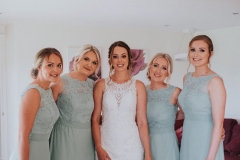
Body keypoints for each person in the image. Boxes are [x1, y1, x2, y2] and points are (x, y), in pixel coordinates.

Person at [91, 41, 152, 160]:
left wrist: (148, 153)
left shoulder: (139, 86)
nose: (120, 60)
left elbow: (142, 122)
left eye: (123, 56)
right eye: (115, 57)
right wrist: (98, 147)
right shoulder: (101, 85)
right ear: (110, 60)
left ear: (129, 58)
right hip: (107, 145)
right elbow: (95, 119)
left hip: (132, 146)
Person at [9, 48, 63, 160]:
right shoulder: (33, 92)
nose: (56, 70)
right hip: (30, 152)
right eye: (50, 65)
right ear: (39, 66)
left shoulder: (47, 90)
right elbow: (22, 136)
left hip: (43, 151)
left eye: (59, 65)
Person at [50, 44, 101, 160]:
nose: (89, 64)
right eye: (86, 59)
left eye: (94, 62)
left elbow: (95, 116)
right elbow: (47, 114)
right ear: (77, 59)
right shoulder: (59, 82)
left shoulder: (93, 85)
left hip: (86, 140)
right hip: (63, 137)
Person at [178, 35, 226, 160]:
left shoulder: (215, 81)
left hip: (206, 139)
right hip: (188, 137)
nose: (196, 54)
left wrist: (210, 158)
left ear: (211, 53)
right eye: (192, 49)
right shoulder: (186, 78)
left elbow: (218, 123)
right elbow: (186, 110)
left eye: (202, 50)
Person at [146, 53, 182, 160]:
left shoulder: (175, 92)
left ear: (168, 73)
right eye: (156, 65)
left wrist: (215, 125)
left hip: (166, 145)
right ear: (150, 67)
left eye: (164, 68)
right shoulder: (141, 90)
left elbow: (190, 113)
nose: (158, 71)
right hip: (144, 143)